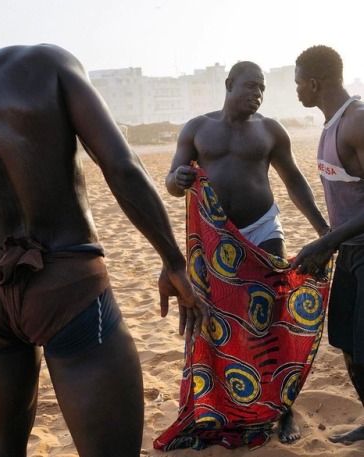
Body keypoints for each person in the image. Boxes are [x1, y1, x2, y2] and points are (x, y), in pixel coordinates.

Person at [0, 12, 208, 457]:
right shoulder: (46, 63)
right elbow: (121, 167)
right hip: (68, 281)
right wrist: (173, 262)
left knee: (3, 446)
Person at [165, 60, 330, 444]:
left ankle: (282, 410)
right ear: (228, 84)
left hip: (263, 229)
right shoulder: (198, 128)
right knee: (218, 318)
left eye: (262, 89)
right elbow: (173, 182)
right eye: (250, 86)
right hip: (216, 237)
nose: (256, 94)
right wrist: (178, 178)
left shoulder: (270, 130)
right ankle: (223, 405)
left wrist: (324, 231)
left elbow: (293, 181)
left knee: (272, 316)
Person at [293, 45, 364, 445]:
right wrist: (332, 245)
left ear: (314, 83)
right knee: (348, 345)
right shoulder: (328, 125)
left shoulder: (356, 122)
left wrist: (326, 243)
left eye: (299, 82)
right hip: (350, 251)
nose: (297, 90)